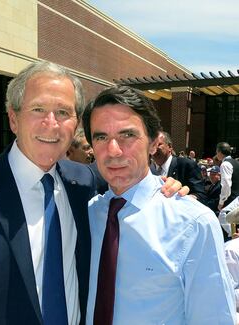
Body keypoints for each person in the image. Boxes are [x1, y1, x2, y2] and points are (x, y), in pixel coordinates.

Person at [0, 61, 186, 324]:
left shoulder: (84, 183)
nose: (51, 123)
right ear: (13, 118)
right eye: (38, 109)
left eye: (63, 112)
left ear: (76, 124)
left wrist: (168, 191)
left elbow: (132, 183)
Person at [82, 85, 235, 324]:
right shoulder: (86, 215)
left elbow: (213, 318)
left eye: (127, 135)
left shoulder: (193, 223)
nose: (113, 150)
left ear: (154, 143)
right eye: (101, 137)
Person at [151, 130, 206, 203]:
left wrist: (186, 199)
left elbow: (201, 195)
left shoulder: (186, 165)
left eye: (158, 144)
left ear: (170, 147)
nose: (154, 148)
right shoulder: (147, 169)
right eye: (151, 145)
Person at [217, 142, 239, 211]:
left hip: (229, 202)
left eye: (216, 152)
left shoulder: (225, 164)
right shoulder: (236, 162)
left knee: (224, 221)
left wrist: (221, 202)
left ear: (220, 152)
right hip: (236, 200)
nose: (216, 154)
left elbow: (226, 185)